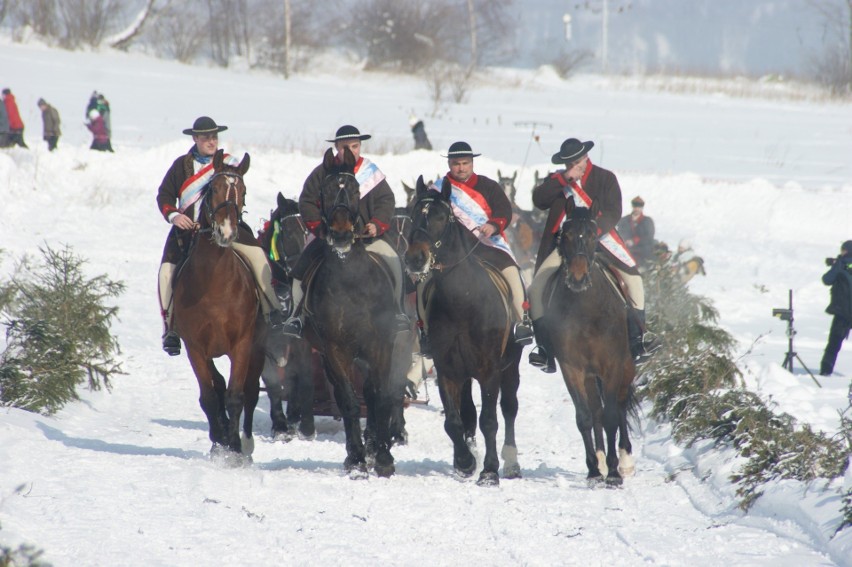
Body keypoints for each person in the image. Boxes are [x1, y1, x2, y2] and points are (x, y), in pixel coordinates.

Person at [156, 116, 286, 356]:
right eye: (205, 137)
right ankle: (170, 327)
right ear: (195, 138)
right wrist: (174, 215)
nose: (211, 141)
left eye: (214, 136)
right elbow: (164, 196)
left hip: (227, 227)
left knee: (258, 256)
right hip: (187, 233)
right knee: (166, 272)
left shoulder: (230, 164)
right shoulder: (180, 166)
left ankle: (271, 312)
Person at [527, 138, 657, 372]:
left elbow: (614, 211)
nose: (574, 167)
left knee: (634, 281)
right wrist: (564, 179)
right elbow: (539, 200)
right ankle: (544, 348)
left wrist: (593, 231)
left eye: (577, 161)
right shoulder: (558, 181)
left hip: (600, 239)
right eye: (569, 164)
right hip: (565, 244)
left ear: (586, 158)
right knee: (536, 288)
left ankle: (639, 341)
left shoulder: (605, 178)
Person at [280, 124, 410, 338]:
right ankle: (296, 315)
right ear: (336, 148)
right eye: (344, 147)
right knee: (301, 268)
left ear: (360, 147)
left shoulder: (371, 172)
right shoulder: (323, 171)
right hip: (329, 237)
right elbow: (307, 201)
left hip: (366, 238)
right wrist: (319, 228)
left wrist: (377, 223)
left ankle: (398, 312)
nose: (349, 151)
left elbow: (386, 200)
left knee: (395, 262)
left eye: (354, 146)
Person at [414, 141, 534, 354]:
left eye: (465, 163)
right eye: (456, 163)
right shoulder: (437, 189)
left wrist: (494, 225)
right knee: (423, 283)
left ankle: (522, 322)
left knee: (512, 273)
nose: (461, 168)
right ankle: (425, 332)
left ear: (472, 163)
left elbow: (504, 210)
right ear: (449, 164)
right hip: (448, 253)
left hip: (488, 246)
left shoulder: (488, 186)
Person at [819, 240, 852, 376]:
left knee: (833, 343)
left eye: (843, 250)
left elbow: (827, 280)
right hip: (845, 310)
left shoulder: (841, 264)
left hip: (843, 312)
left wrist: (837, 263)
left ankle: (826, 370)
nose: (841, 253)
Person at [616, 195, 655, 271]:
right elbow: (619, 232)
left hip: (643, 251)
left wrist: (634, 241)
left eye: (639, 207)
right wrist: (625, 240)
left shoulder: (647, 221)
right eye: (635, 206)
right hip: (626, 249)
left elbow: (649, 237)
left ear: (642, 208)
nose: (637, 209)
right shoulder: (624, 220)